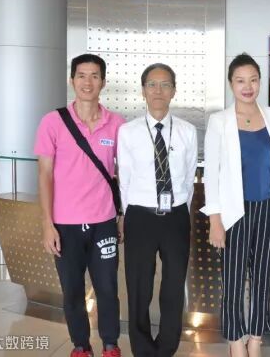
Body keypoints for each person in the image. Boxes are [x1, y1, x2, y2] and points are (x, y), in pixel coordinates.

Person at [201, 53, 270, 357]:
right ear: (231, 84)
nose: (248, 86)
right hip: (234, 212)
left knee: (263, 276)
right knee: (234, 278)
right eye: (240, 81)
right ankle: (234, 340)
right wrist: (215, 220)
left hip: (268, 207)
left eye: (253, 80)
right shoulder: (220, 121)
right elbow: (211, 173)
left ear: (260, 82)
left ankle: (256, 337)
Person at [35, 54, 125, 357]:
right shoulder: (52, 122)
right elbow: (45, 174)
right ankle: (81, 346)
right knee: (72, 291)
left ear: (103, 82)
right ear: (72, 80)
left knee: (108, 289)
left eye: (95, 76)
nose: (88, 82)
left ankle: (111, 345)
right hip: (65, 224)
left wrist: (122, 215)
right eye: (82, 75)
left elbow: (124, 175)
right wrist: (48, 224)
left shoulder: (117, 124)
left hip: (104, 222)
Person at [117, 63, 198, 357]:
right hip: (140, 215)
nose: (158, 91)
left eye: (165, 85)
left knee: (174, 286)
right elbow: (124, 179)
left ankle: (165, 349)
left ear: (174, 90)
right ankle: (142, 349)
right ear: (143, 91)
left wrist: (180, 209)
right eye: (152, 84)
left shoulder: (187, 131)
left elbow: (189, 177)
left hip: (175, 216)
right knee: (139, 286)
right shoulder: (128, 132)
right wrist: (128, 214)